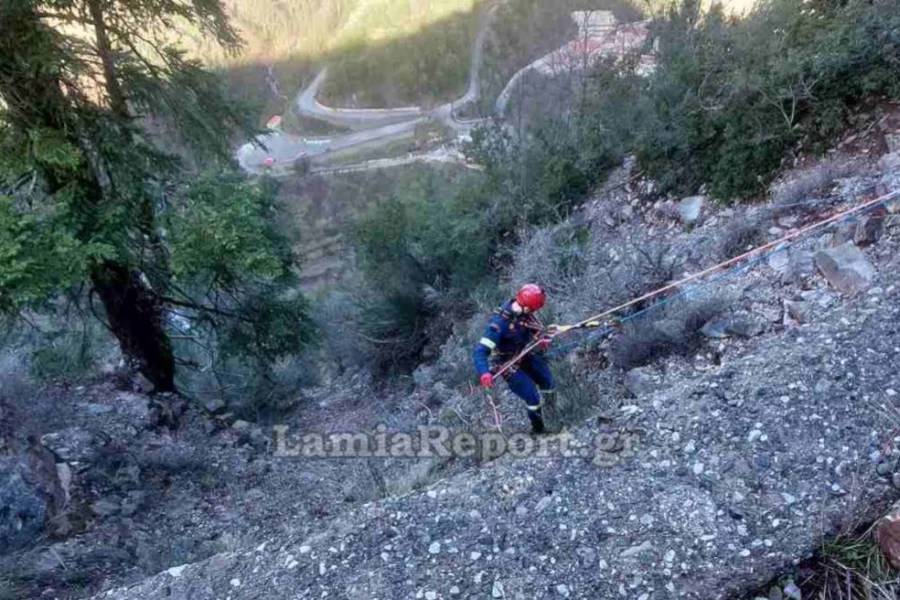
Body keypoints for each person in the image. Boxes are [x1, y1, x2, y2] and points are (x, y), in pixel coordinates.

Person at [473, 284, 555, 434]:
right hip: (508, 364)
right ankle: (539, 430)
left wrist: (542, 339)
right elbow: (480, 352)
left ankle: (553, 413)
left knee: (548, 380)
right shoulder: (498, 326)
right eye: (533, 309)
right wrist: (484, 373)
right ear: (526, 306)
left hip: (525, 354)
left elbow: (535, 329)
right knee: (532, 397)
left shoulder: (524, 313)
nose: (534, 312)